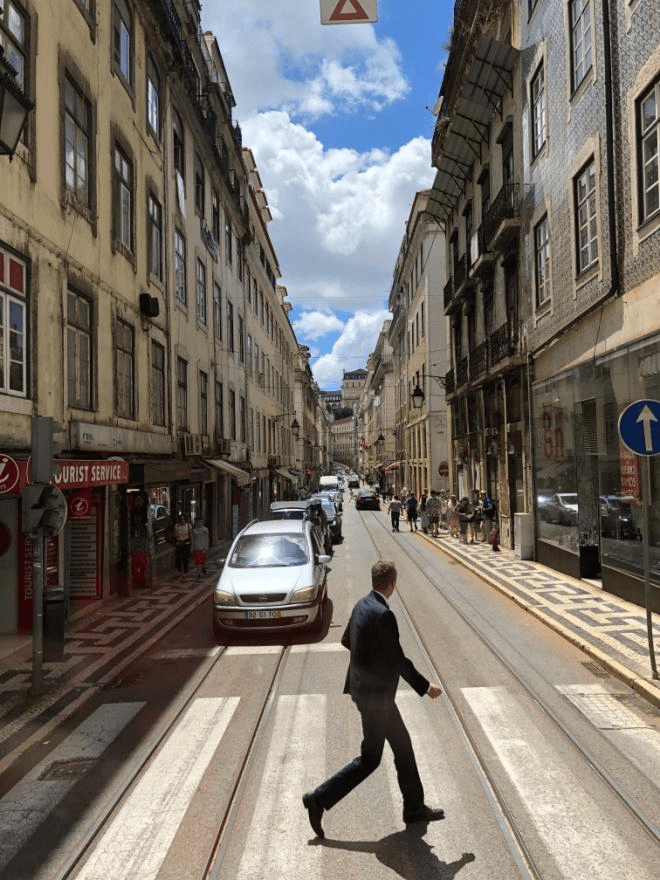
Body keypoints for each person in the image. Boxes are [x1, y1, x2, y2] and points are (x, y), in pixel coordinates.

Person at [302, 560, 444, 838]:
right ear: (393, 584)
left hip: (364, 692)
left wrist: (367, 660)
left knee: (401, 748)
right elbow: (398, 660)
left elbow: (347, 640)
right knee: (372, 759)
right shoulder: (383, 614)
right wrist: (426, 687)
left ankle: (413, 808)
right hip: (376, 698)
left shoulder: (361, 605)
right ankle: (317, 799)